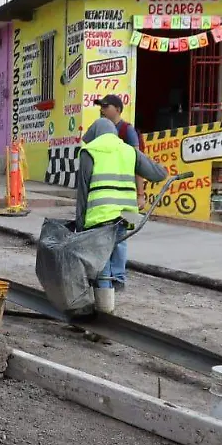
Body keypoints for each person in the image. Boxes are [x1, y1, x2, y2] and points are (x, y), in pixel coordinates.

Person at [75, 118, 168, 314]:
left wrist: (79, 226)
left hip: (100, 215)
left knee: (101, 263)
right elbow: (159, 174)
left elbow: (83, 192)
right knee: (116, 250)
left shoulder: (89, 151)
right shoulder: (129, 151)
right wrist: (162, 168)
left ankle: (105, 314)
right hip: (126, 216)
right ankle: (114, 289)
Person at [94, 95, 147, 207]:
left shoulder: (127, 130)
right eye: (101, 107)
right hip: (104, 189)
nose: (101, 110)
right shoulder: (99, 130)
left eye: (105, 106)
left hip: (124, 191)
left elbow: (137, 162)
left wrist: (140, 195)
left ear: (117, 109)